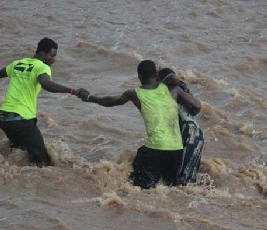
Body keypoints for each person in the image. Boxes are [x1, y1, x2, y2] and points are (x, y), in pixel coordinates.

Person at [77, 60, 201, 189]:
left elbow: (110, 101)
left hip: (154, 150)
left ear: (140, 77)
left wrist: (89, 97)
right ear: (155, 75)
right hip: (177, 151)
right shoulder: (174, 90)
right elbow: (197, 105)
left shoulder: (134, 94)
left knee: (136, 187)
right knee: (169, 188)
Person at [0, 37, 81, 167]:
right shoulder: (41, 67)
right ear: (42, 54)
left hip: (3, 118)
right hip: (20, 119)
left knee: (20, 153)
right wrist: (72, 91)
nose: (54, 60)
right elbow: (46, 84)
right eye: (52, 56)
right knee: (44, 163)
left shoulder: (18, 63)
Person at [156, 68, 204, 185]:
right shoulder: (175, 92)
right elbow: (196, 106)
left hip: (189, 133)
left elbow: (197, 105)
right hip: (193, 133)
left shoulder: (174, 90)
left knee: (182, 179)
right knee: (186, 177)